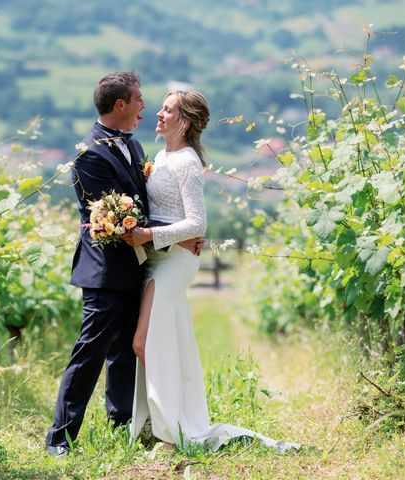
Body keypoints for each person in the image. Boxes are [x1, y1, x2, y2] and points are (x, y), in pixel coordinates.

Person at [122, 90, 300, 452]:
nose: (158, 113)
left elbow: (196, 222)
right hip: (158, 258)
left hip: (173, 264)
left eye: (167, 109)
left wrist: (148, 235)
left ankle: (169, 436)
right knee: (154, 341)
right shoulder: (161, 155)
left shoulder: (187, 162)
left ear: (184, 122)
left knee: (146, 341)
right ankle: (159, 425)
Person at [45, 72, 200, 458]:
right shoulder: (89, 155)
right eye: (139, 100)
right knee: (90, 351)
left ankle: (122, 425)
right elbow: (110, 219)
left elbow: (143, 208)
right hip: (104, 270)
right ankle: (59, 438)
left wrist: (169, 233)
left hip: (139, 267)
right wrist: (176, 234)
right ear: (120, 105)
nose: (144, 106)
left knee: (127, 354)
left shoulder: (134, 147)